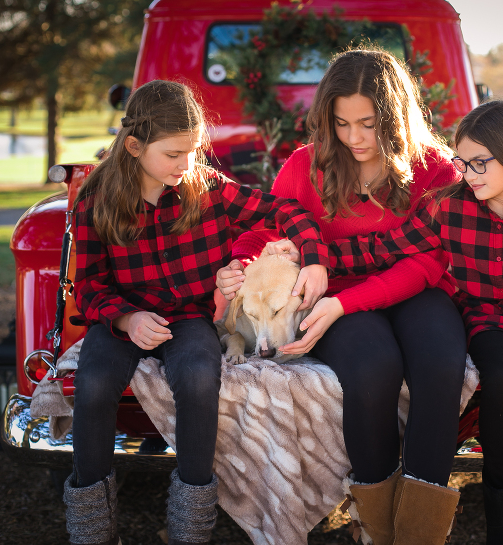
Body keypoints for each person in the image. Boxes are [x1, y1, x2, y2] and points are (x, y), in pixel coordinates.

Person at [318, 99, 503, 544]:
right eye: (462, 162)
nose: (468, 174)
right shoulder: (447, 208)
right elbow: (384, 247)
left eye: (479, 163)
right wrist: (311, 255)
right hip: (489, 320)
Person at [216, 49, 467, 544]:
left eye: (369, 124)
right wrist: (242, 265)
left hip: (413, 288)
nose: (354, 138)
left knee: (441, 363)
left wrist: (343, 303)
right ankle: (374, 526)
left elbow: (429, 260)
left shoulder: (434, 169)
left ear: (396, 119)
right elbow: (266, 231)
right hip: (336, 294)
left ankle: (418, 534)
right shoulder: (306, 165)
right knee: (372, 367)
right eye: (342, 123)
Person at [64, 79, 328, 545]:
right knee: (95, 383)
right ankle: (94, 531)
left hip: (189, 317)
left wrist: (312, 257)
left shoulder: (208, 189)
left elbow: (287, 210)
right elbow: (86, 285)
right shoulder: (96, 199)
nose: (186, 164)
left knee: (200, 378)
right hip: (122, 318)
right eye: (173, 154)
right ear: (134, 146)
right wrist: (127, 319)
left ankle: (189, 529)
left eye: (192, 151)